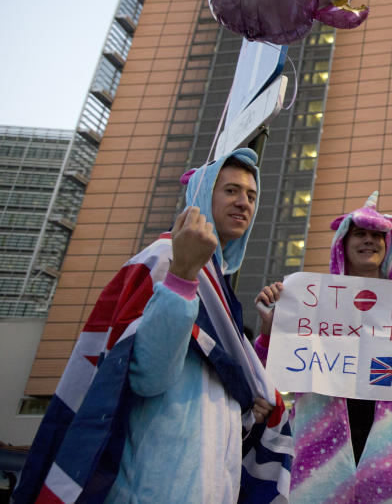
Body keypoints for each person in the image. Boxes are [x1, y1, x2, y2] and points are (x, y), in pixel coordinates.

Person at [15, 149, 292, 503]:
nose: (243, 203)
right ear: (202, 196)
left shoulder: (217, 287)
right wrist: (181, 279)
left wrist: (246, 408)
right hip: (155, 484)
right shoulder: (165, 260)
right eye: (231, 191)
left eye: (251, 196)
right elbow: (149, 376)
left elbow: (206, 392)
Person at [255, 191, 392, 503]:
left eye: (378, 235)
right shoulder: (311, 301)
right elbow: (270, 371)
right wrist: (270, 330)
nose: (369, 241)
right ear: (342, 242)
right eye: (360, 233)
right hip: (317, 450)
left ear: (388, 246)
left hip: (389, 453)